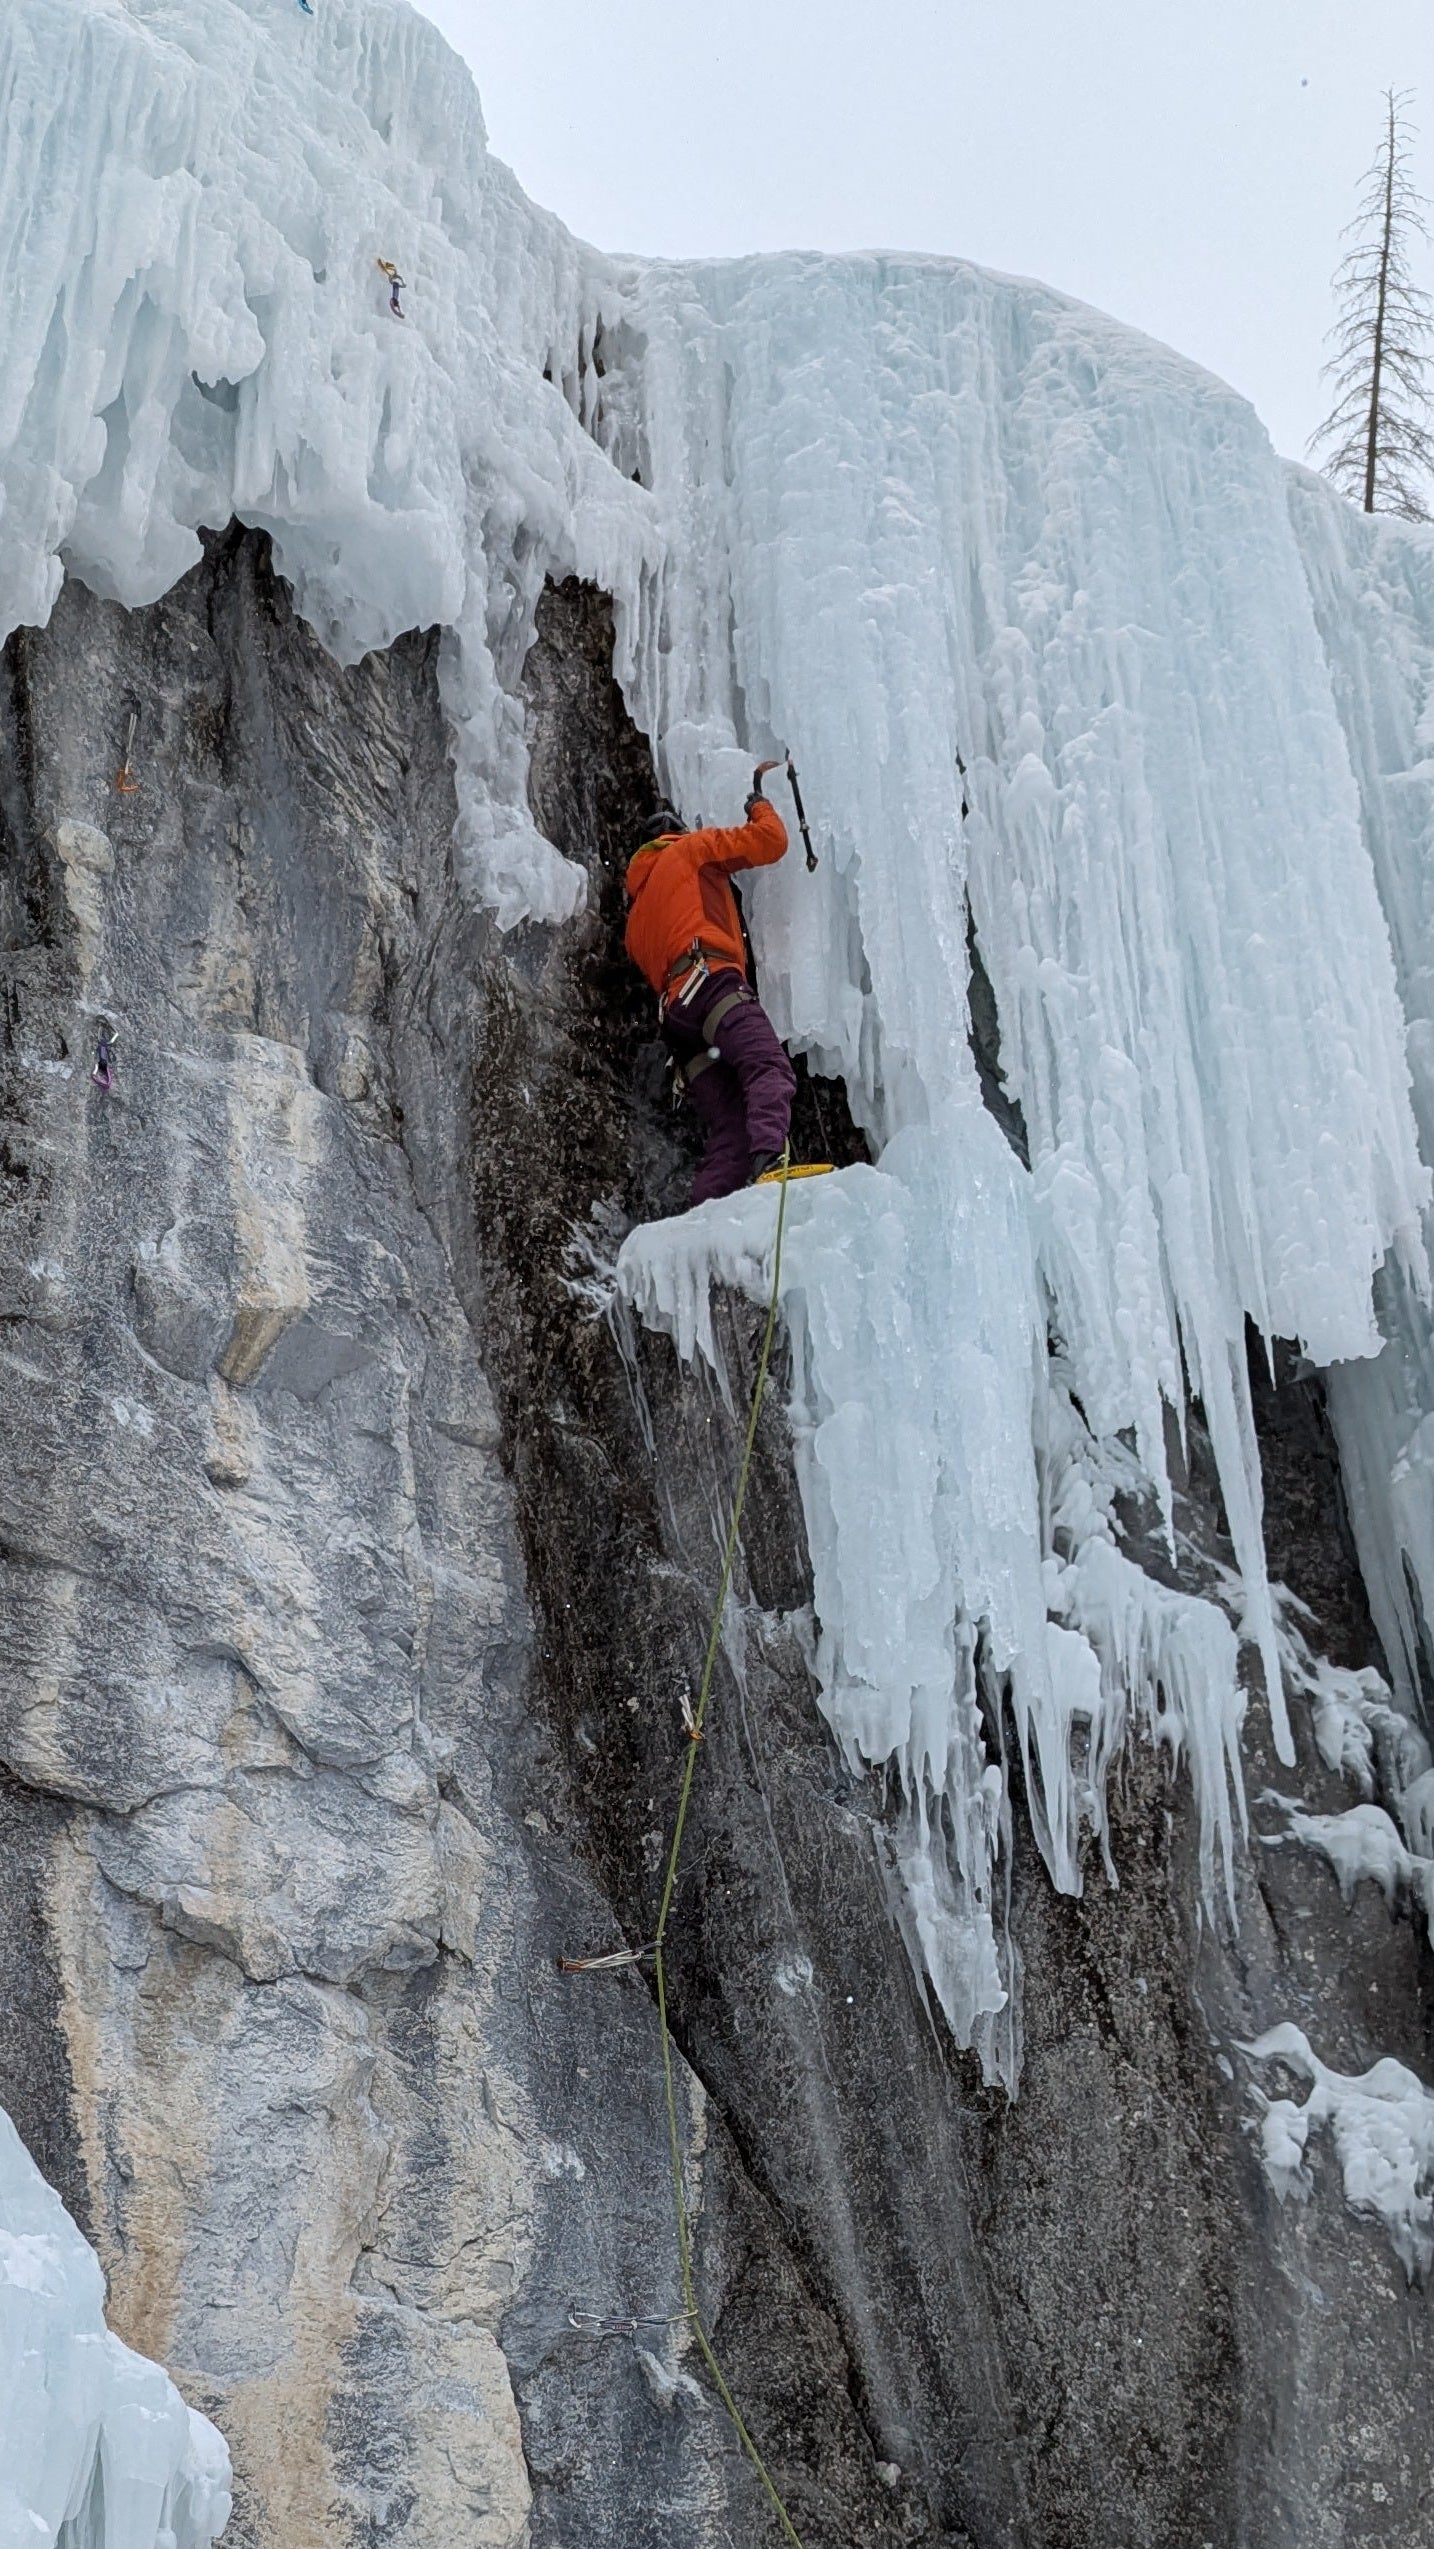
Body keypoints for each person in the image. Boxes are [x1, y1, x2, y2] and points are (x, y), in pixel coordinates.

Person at [625, 787, 796, 1204]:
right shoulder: (690, 850)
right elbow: (771, 841)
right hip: (712, 983)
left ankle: (705, 1218)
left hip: (679, 1021)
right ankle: (771, 1163)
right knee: (766, 1065)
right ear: (676, 834)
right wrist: (759, 805)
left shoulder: (636, 918)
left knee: (731, 1131)